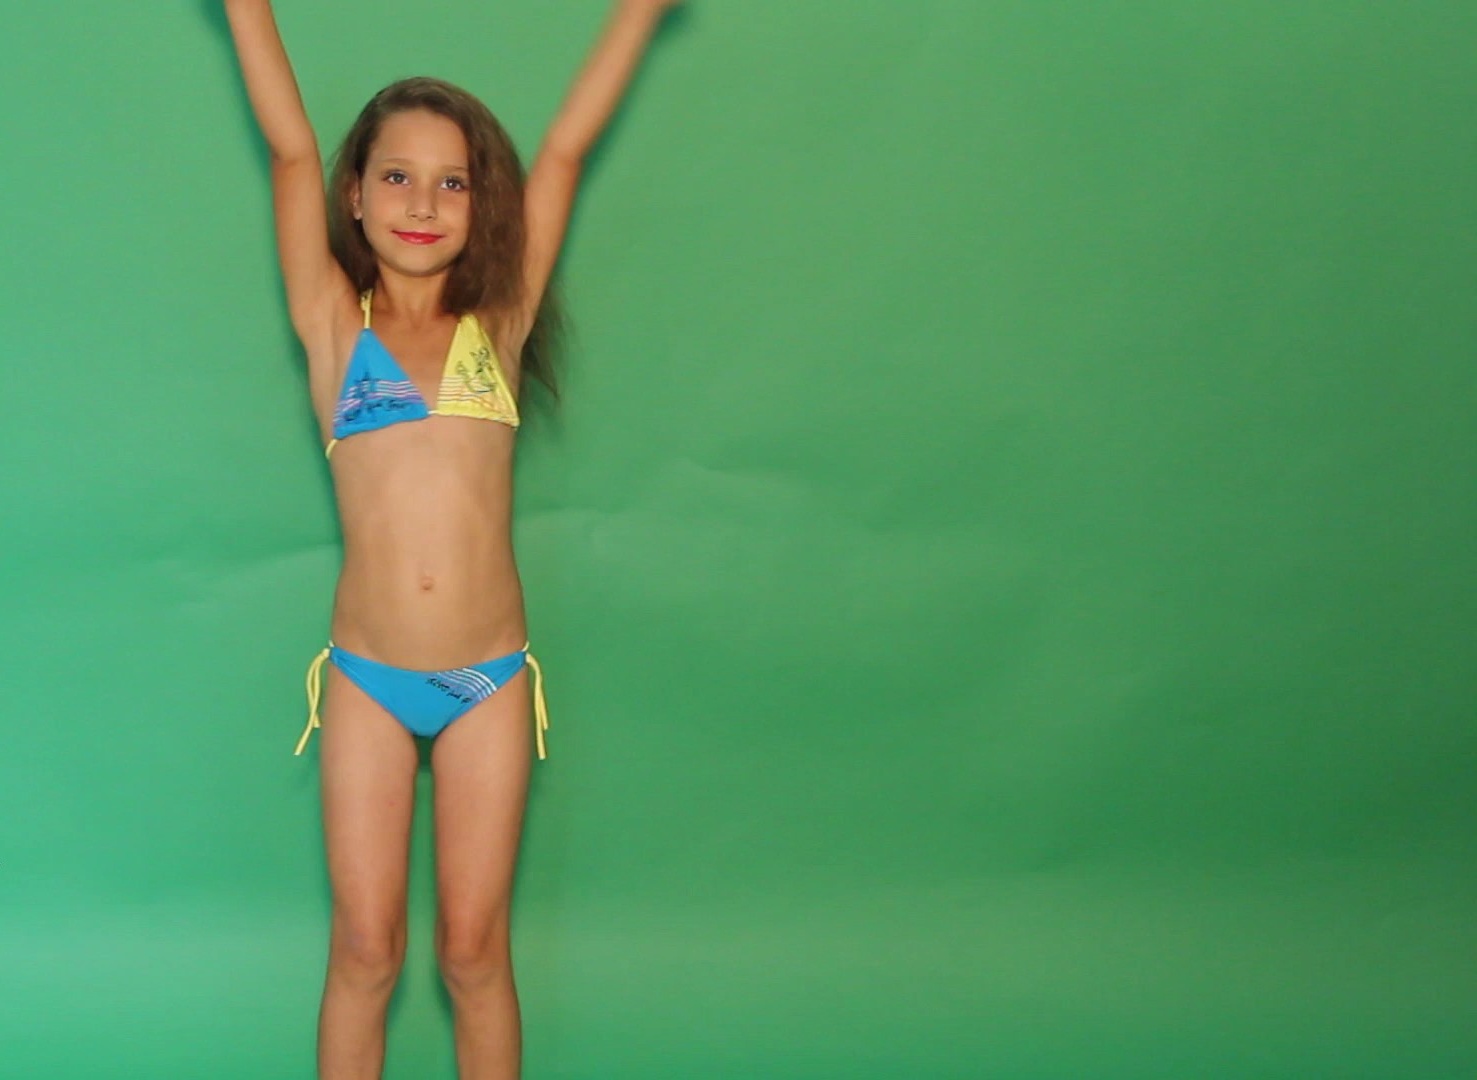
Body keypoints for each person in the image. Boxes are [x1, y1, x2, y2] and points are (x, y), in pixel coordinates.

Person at [222, 1, 682, 1074]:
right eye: (396, 176)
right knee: (365, 950)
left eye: (453, 182)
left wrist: (639, 14)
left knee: (473, 953)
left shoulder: (499, 324)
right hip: (367, 678)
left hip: (488, 679)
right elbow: (287, 145)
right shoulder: (333, 325)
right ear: (353, 195)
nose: (423, 203)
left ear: (485, 207)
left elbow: (564, 149)